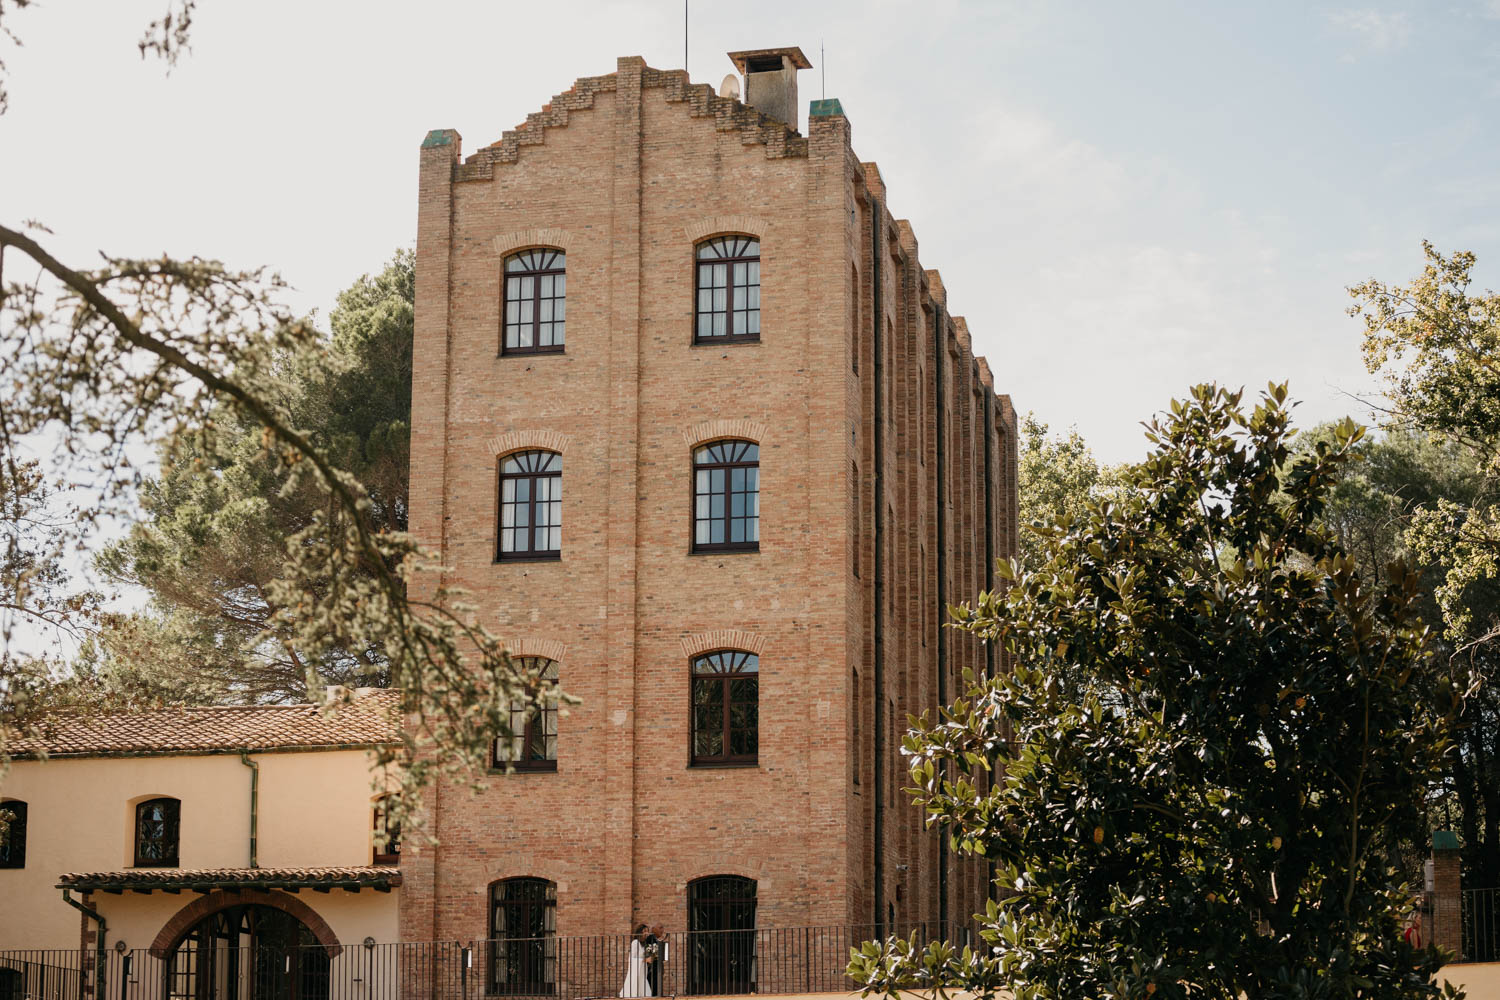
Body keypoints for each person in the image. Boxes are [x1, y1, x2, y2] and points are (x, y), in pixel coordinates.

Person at [619, 923, 654, 998]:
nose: (646, 933)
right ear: (639, 932)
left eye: (647, 931)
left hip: (641, 971)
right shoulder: (635, 943)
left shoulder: (644, 944)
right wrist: (645, 960)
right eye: (644, 931)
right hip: (636, 972)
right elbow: (632, 958)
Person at [644, 923, 667, 996]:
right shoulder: (650, 938)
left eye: (662, 928)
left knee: (657, 985)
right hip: (652, 967)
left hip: (656, 966)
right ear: (653, 929)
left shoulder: (656, 939)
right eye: (660, 928)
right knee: (653, 985)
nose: (662, 930)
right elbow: (649, 953)